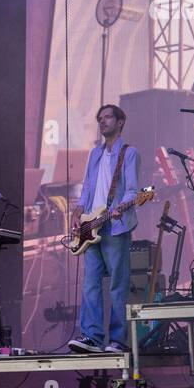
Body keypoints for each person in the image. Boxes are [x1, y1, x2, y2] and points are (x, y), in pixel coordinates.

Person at [68, 104, 140, 354]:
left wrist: (121, 207)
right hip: (91, 225)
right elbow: (88, 187)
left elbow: (133, 191)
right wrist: (78, 211)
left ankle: (118, 340)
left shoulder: (129, 153)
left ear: (120, 122)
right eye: (100, 118)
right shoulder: (95, 154)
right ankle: (92, 337)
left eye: (108, 117)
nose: (102, 121)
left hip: (115, 226)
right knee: (90, 284)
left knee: (117, 284)